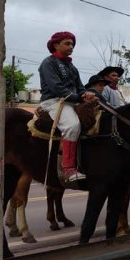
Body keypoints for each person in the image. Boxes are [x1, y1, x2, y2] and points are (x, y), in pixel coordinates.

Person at [39, 31, 96, 182]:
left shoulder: (72, 66)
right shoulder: (48, 63)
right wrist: (79, 97)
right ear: (56, 45)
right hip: (54, 102)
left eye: (72, 44)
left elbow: (80, 87)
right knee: (72, 125)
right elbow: (57, 88)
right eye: (67, 43)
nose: (71, 46)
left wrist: (86, 94)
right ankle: (68, 169)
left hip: (71, 101)